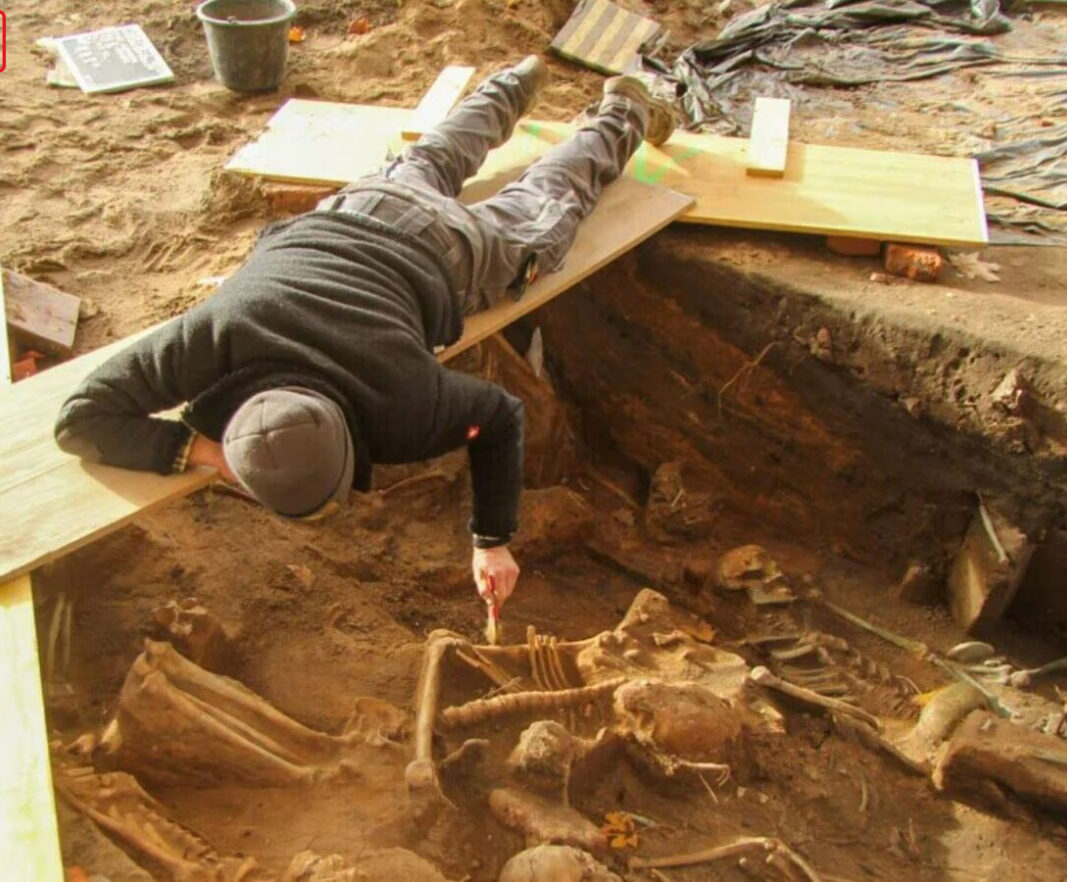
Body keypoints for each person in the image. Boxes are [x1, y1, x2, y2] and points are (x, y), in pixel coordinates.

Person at [54, 55, 675, 616]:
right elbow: (80, 418)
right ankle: (516, 80)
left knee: (547, 204)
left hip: (446, 255)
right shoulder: (216, 332)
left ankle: (624, 110)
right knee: (434, 157)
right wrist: (210, 453)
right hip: (358, 210)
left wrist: (493, 540)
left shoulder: (402, 404)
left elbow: (498, 416)